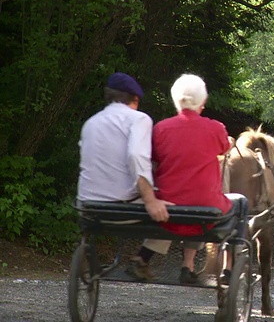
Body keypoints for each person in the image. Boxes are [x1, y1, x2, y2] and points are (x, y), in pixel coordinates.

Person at [128, 73, 245, 284]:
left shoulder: (161, 128)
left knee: (177, 213)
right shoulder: (216, 128)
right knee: (240, 205)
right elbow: (225, 147)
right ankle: (229, 268)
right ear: (204, 101)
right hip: (205, 207)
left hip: (168, 206)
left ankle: (145, 258)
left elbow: (154, 156)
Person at [76, 72, 172, 222]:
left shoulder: (90, 123)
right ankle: (152, 247)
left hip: (86, 207)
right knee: (178, 210)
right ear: (135, 99)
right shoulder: (139, 119)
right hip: (119, 209)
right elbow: (136, 156)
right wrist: (150, 201)